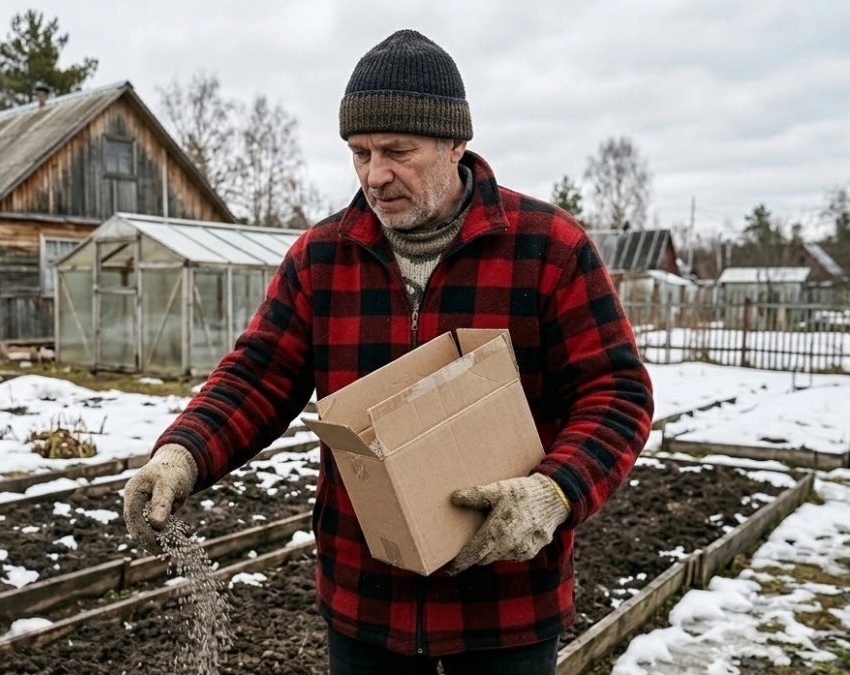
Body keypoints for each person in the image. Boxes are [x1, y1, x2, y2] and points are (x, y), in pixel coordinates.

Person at [123, 28, 654, 675]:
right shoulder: (323, 258)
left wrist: (555, 489)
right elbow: (259, 376)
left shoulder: (547, 249)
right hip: (365, 601)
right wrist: (182, 450)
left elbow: (616, 393)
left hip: (504, 606)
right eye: (360, 152)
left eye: (397, 151)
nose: (376, 174)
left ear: (457, 142)